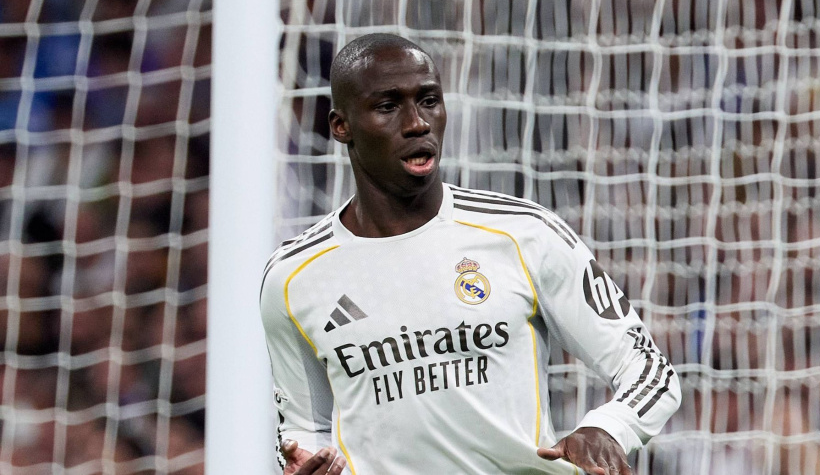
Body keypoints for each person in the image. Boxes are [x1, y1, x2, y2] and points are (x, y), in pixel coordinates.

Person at [260, 33, 681, 475]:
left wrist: (611, 427)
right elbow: (304, 429)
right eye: (388, 106)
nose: (417, 123)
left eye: (429, 101)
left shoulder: (524, 234)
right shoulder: (293, 278)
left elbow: (648, 367)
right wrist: (305, 464)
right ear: (341, 126)